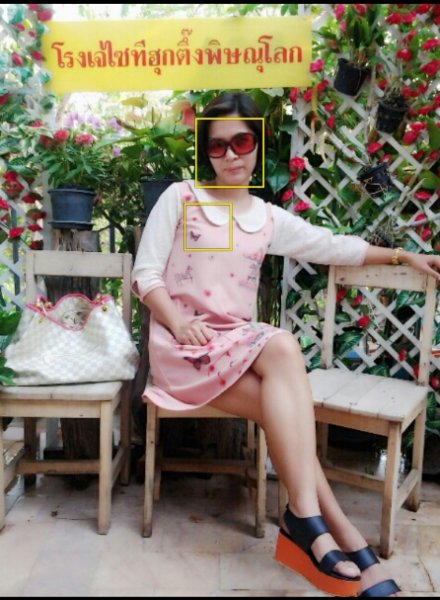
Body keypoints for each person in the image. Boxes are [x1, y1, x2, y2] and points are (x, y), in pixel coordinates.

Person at [132, 91, 440, 597]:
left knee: (287, 404)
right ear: (205, 151)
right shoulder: (181, 198)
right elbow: (145, 275)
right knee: (282, 355)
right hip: (184, 351)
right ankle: (333, 533)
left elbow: (331, 246)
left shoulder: (266, 218)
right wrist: (178, 322)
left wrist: (403, 255)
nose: (231, 155)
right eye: (217, 145)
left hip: (234, 348)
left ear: (257, 143)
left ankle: (318, 526)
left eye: (242, 141)